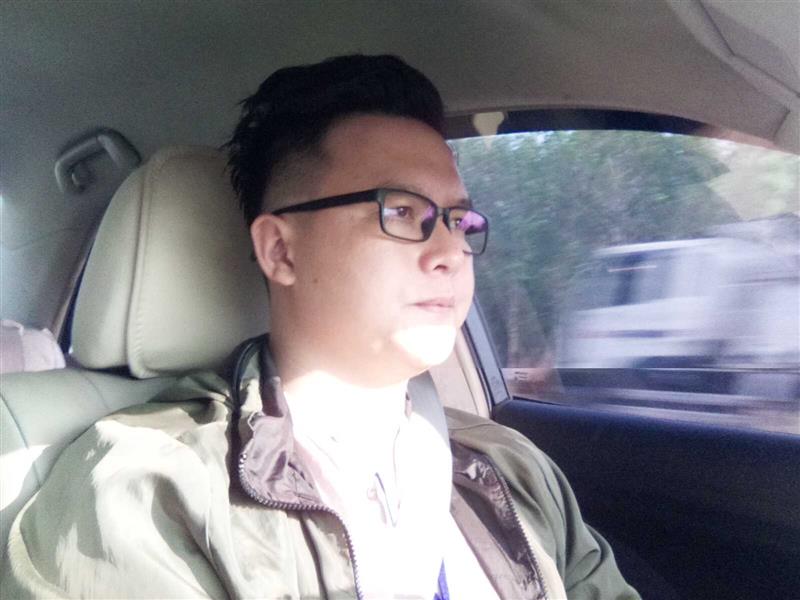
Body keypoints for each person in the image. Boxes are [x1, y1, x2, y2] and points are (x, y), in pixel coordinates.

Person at [2, 55, 639, 599]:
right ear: (280, 250)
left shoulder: (510, 468)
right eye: (401, 211)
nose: (449, 250)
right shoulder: (151, 494)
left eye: (458, 220)